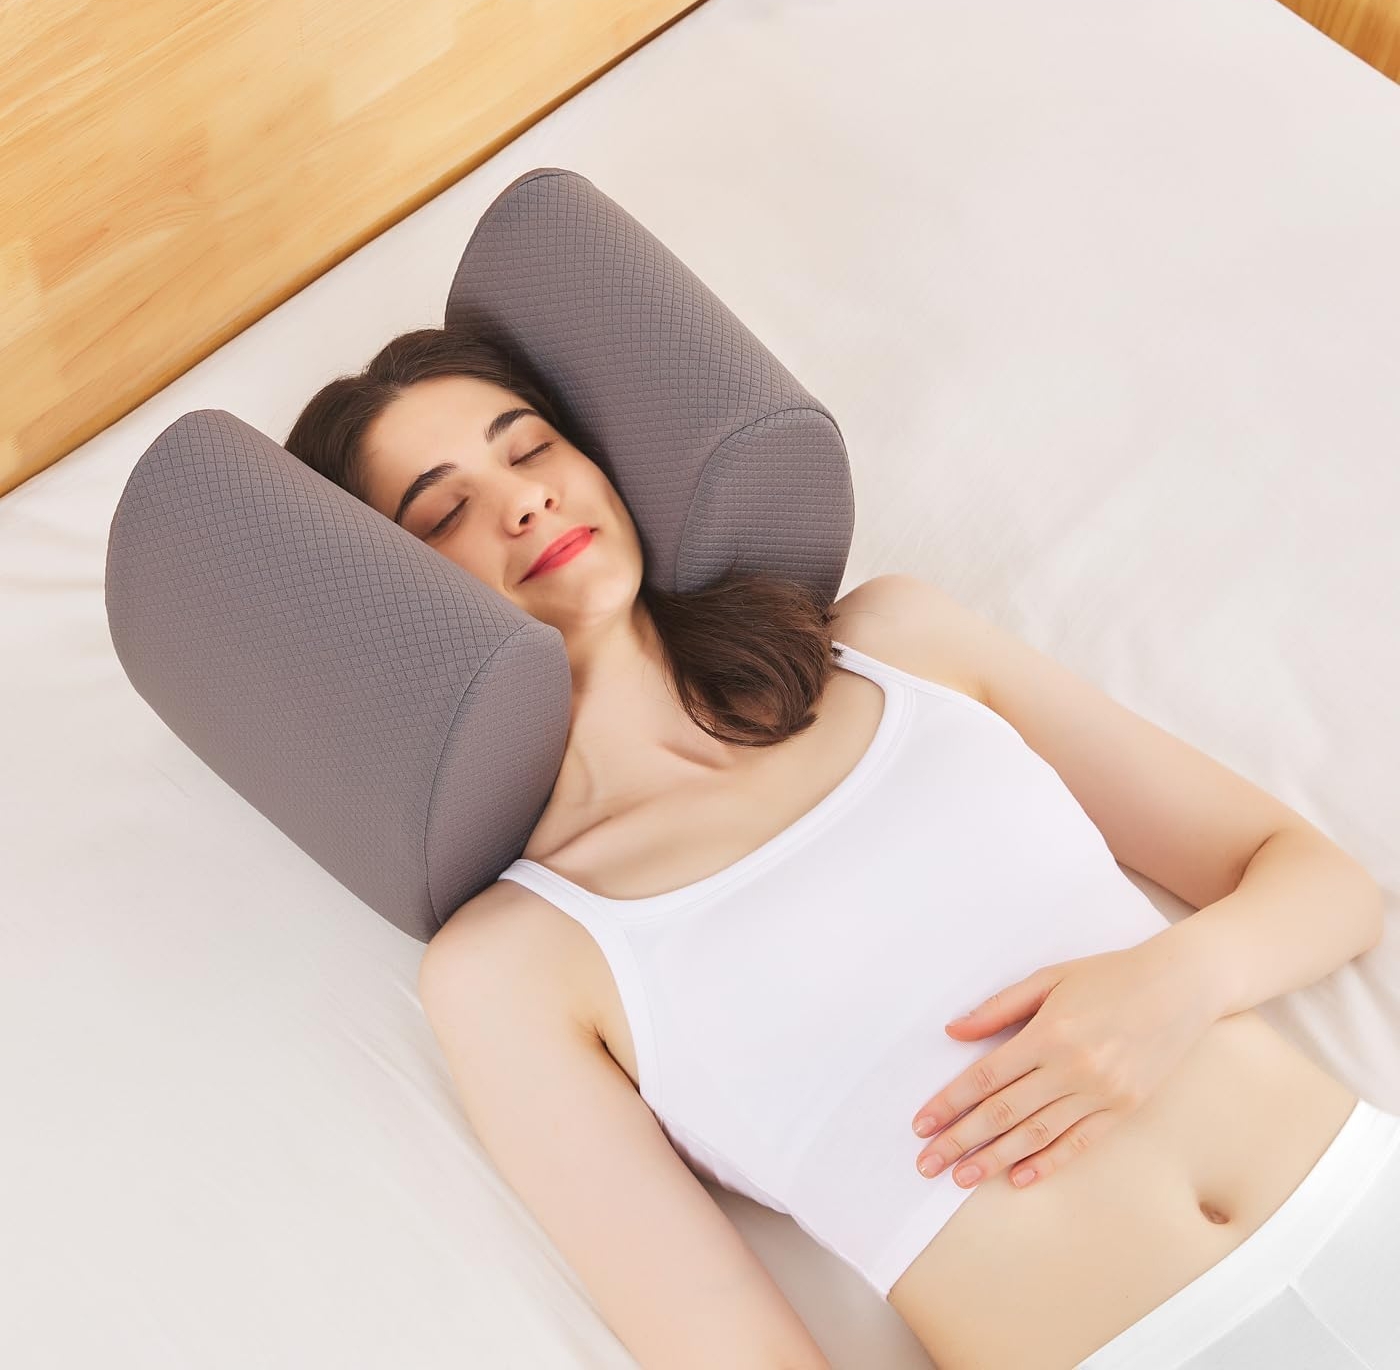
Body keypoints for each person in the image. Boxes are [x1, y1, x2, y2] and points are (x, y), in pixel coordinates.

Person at [285, 326, 1398, 1370]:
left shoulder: (895, 645)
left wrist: (1170, 981)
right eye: (443, 515)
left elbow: (1322, 885)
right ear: (399, 599)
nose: (522, 499)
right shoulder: (513, 961)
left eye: (530, 446)